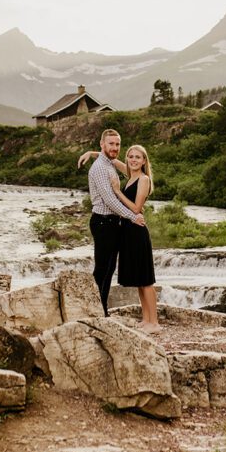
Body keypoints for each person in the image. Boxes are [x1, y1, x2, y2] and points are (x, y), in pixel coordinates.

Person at [79, 144, 159, 332]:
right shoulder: (131, 173)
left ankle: (154, 322)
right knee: (140, 279)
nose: (132, 160)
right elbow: (110, 158)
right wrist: (92, 153)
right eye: (130, 156)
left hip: (137, 231)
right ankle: (146, 319)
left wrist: (117, 192)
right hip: (129, 231)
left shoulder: (144, 179)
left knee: (146, 280)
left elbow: (136, 209)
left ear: (144, 161)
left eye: (137, 157)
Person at [83, 128, 145, 317]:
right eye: (111, 143)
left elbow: (129, 172)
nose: (115, 147)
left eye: (117, 144)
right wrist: (133, 216)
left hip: (111, 223)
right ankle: (93, 310)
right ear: (102, 144)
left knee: (109, 269)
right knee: (101, 269)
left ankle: (102, 310)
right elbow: (110, 200)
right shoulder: (100, 168)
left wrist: (93, 153)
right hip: (102, 223)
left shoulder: (108, 163)